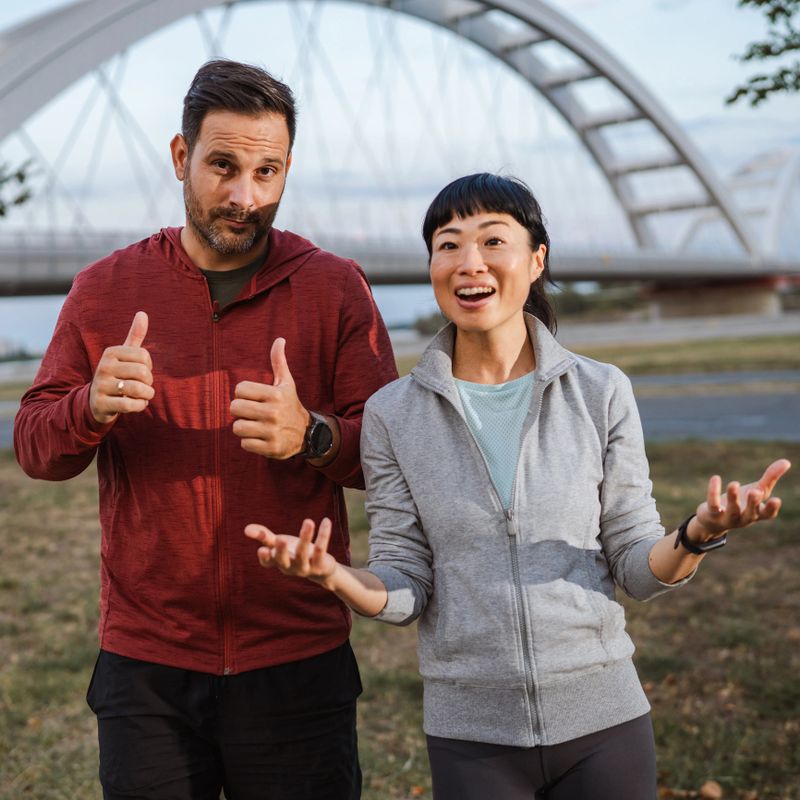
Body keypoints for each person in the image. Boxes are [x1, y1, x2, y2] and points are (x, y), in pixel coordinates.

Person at [244, 173, 791, 800]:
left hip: (605, 723)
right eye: (447, 245)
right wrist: (337, 577)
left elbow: (636, 570)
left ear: (536, 260)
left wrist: (698, 534)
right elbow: (405, 587)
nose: (468, 263)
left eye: (492, 241)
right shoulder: (393, 414)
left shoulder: (601, 390)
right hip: (471, 737)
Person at [14, 59, 398, 800]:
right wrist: (88, 407)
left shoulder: (335, 286)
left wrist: (313, 437)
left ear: (287, 172)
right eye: (223, 165)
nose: (244, 195)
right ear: (181, 157)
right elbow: (34, 445)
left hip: (297, 658)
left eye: (267, 171)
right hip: (148, 666)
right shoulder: (104, 290)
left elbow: (389, 458)